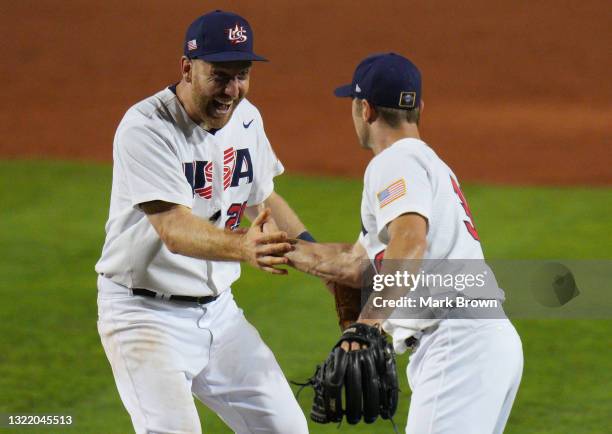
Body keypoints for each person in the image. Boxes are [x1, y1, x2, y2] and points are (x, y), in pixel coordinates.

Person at [95, 10, 310, 434]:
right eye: (220, 75)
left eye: (242, 75)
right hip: (143, 315)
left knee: (286, 429)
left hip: (219, 314)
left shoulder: (248, 119)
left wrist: (317, 258)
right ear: (187, 69)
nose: (232, 90)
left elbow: (263, 198)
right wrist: (244, 247)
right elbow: (174, 229)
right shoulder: (147, 127)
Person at [286, 53, 523, 433]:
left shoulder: (394, 162)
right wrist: (278, 249)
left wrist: (368, 325)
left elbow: (411, 241)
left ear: (365, 110)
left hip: (458, 343)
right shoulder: (426, 164)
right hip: (481, 339)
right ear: (419, 109)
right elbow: (353, 263)